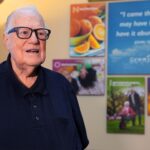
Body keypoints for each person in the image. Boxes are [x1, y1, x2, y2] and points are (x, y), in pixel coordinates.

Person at [0, 6, 89, 150]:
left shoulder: (62, 85)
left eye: (40, 33)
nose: (34, 40)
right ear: (6, 40)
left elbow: (79, 143)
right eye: (24, 32)